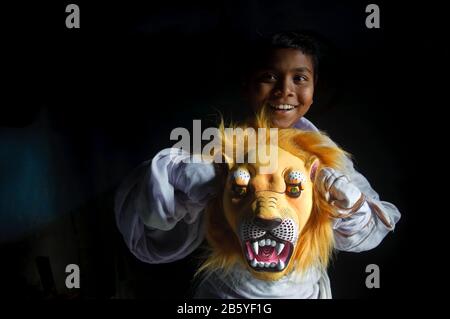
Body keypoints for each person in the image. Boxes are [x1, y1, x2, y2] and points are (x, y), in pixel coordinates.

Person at [114, 31, 401, 298]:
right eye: (269, 76)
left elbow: (369, 233)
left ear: (314, 89)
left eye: (299, 78)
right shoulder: (217, 152)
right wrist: (180, 180)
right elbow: (153, 242)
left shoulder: (329, 161)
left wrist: (352, 207)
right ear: (248, 86)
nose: (284, 91)